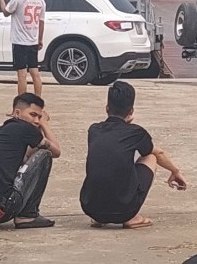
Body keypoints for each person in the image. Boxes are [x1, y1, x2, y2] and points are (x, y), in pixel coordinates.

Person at [80, 80, 187, 229]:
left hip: (91, 207)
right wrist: (175, 171)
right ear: (131, 112)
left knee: (108, 162)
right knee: (150, 157)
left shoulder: (94, 130)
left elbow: (110, 152)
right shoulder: (136, 132)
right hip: (124, 211)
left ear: (107, 108)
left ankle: (100, 218)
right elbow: (159, 152)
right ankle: (131, 217)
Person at [0, 93, 62, 229]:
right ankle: (27, 215)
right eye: (33, 115)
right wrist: (45, 124)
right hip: (2, 209)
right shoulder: (25, 128)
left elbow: (26, 159)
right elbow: (56, 151)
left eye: (39, 117)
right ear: (17, 113)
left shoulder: (3, 131)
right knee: (45, 155)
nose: (37, 121)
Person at [0, 0, 45, 97]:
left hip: (20, 41)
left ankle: (21, 104)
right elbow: (41, 21)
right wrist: (40, 39)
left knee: (22, 74)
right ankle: (38, 101)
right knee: (35, 72)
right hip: (33, 40)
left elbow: (6, 12)